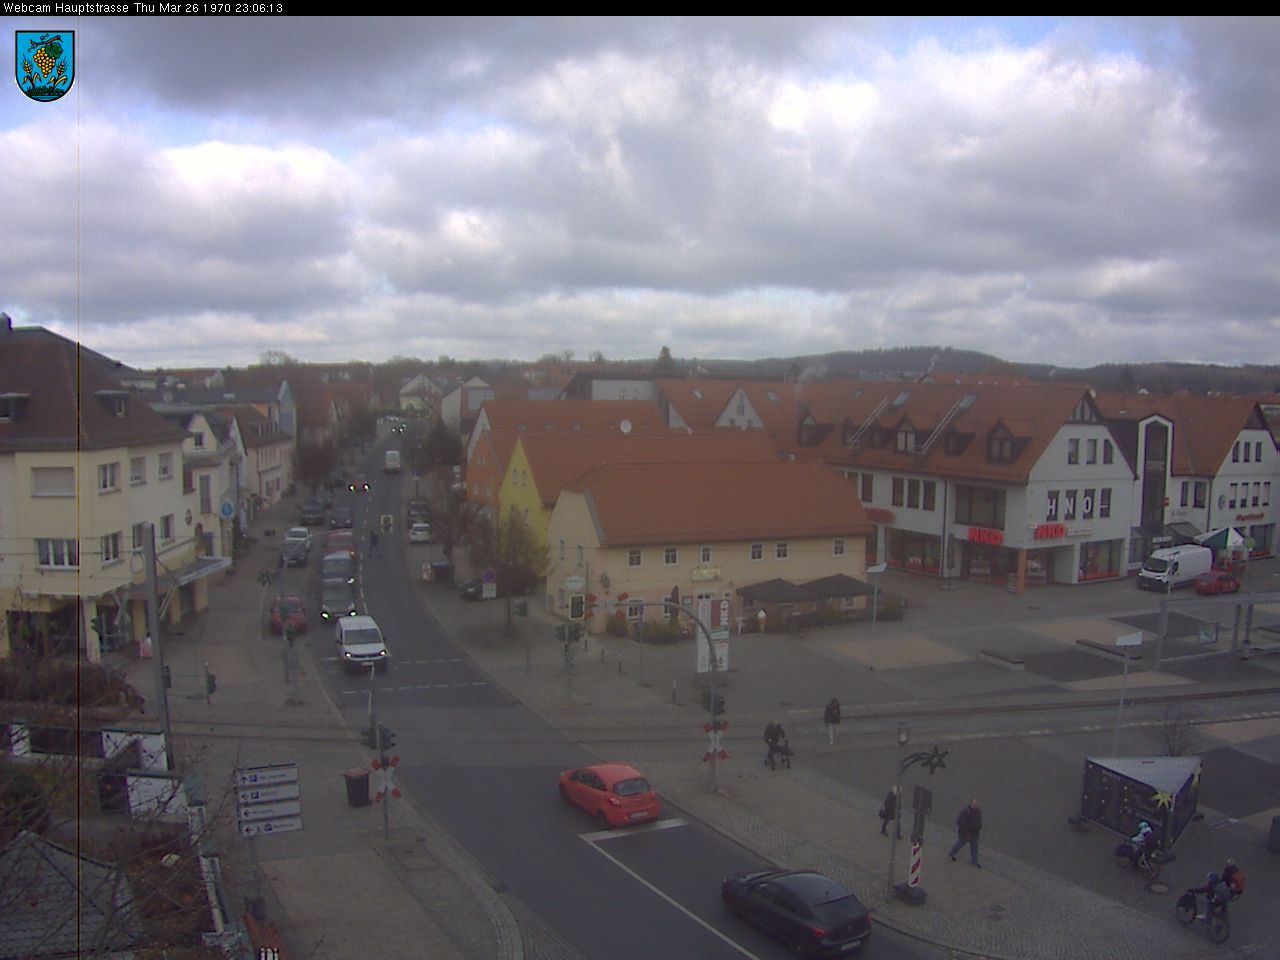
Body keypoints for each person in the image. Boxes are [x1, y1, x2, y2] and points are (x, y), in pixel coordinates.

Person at [948, 799, 982, 867]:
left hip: (975, 833)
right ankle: (952, 853)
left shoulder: (978, 811)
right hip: (965, 834)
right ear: (970, 804)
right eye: (974, 804)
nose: (975, 805)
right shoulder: (965, 811)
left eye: (976, 804)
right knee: (960, 843)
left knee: (975, 847)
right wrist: (967, 834)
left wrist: (979, 827)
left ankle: (975, 862)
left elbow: (979, 820)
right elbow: (960, 822)